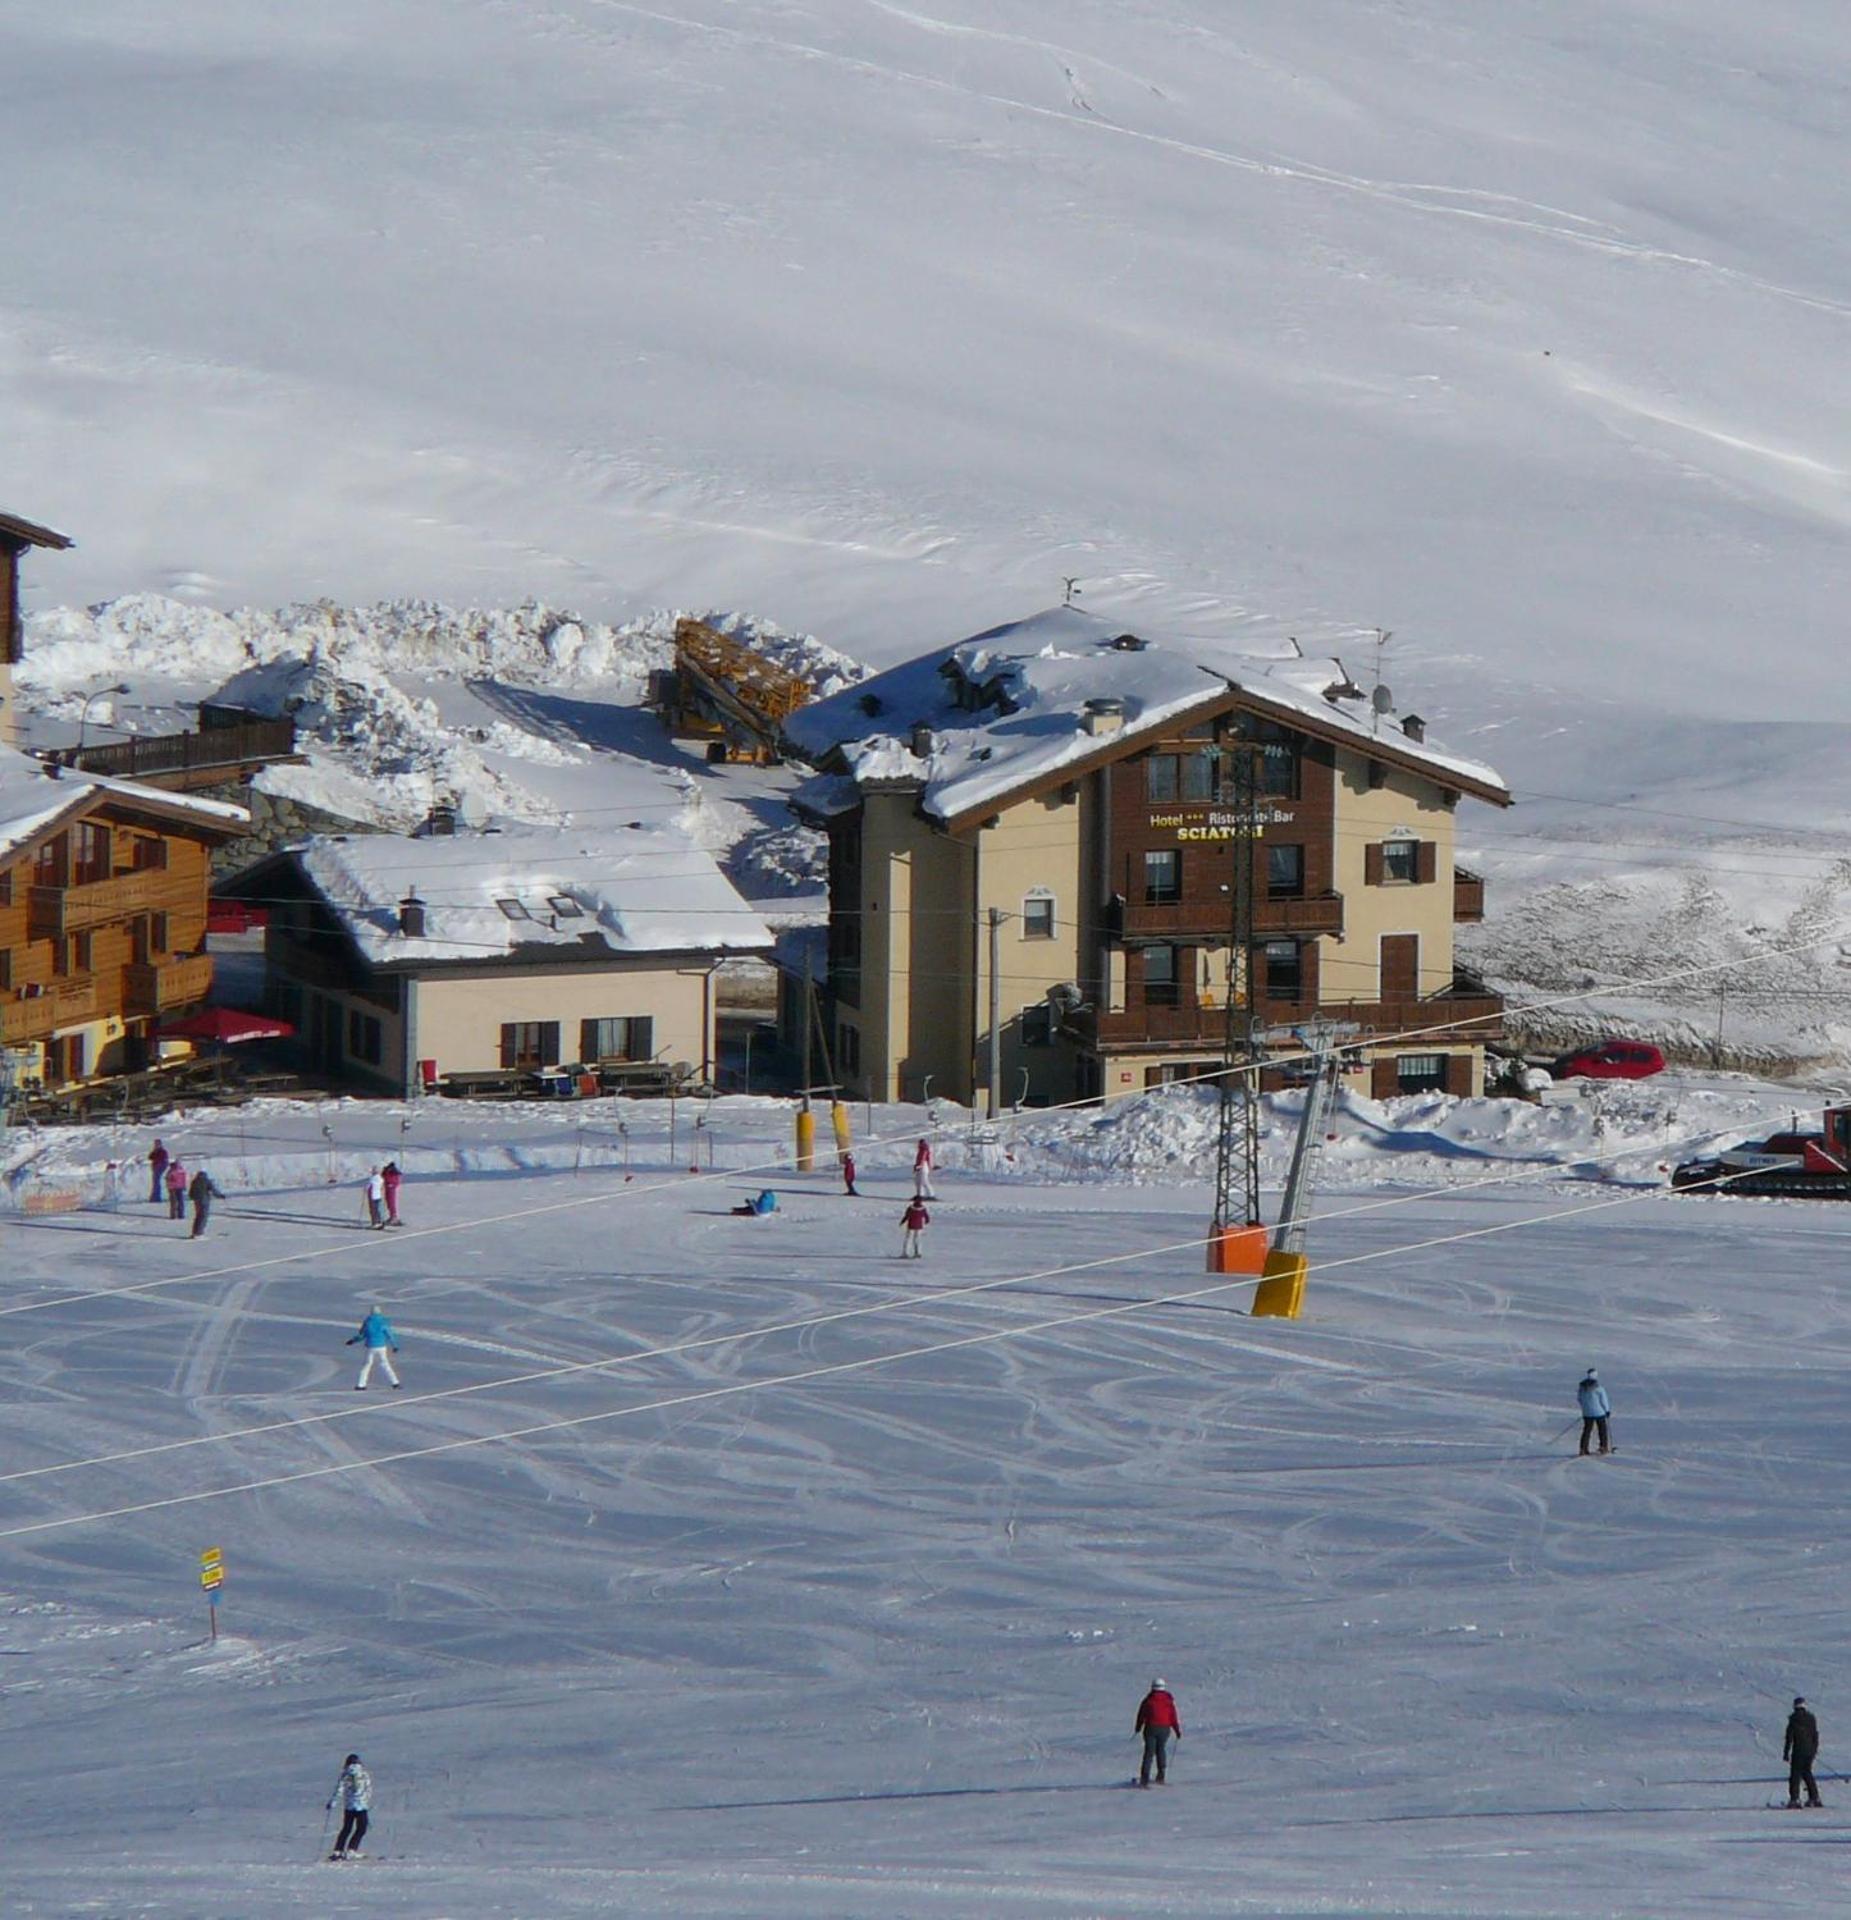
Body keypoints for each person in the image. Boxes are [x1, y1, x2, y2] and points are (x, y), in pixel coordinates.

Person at [1135, 1678, 1182, 1787]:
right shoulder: (1168, 1701)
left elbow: (1141, 1714)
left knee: (1149, 1753)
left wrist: (1138, 1728)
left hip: (1151, 1728)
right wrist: (1177, 1730)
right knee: (1161, 1750)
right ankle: (1161, 1775)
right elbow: (1173, 1716)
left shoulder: (1148, 1700)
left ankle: (1144, 1778)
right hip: (1165, 1728)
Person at [327, 1752, 372, 1859]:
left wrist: (333, 1801)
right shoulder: (364, 1774)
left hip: (349, 1806)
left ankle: (338, 1850)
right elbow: (368, 1789)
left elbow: (339, 1789)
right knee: (361, 1828)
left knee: (346, 1828)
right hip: (361, 1806)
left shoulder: (345, 1774)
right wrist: (366, 1801)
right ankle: (352, 1849)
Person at [347, 1306, 401, 1390]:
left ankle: (361, 1385)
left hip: (370, 1346)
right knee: (385, 1364)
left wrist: (353, 1340)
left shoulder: (368, 1321)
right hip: (381, 1346)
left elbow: (363, 1334)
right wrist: (395, 1346)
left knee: (367, 1365)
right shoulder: (383, 1321)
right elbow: (389, 1334)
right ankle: (395, 1383)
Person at [1785, 1697, 1823, 1808]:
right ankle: (1814, 1797)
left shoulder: (1794, 1719)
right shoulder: (1811, 1719)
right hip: (1810, 1751)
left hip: (1798, 1751)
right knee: (1807, 1773)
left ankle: (1795, 1799)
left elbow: (1789, 1737)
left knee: (1795, 1775)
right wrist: (1814, 1749)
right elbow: (1815, 1735)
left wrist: (1786, 1752)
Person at [1577, 1368, 1611, 1455]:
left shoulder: (1582, 1387)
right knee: (1602, 1429)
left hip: (1587, 1413)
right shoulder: (1598, 1388)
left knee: (1587, 1430)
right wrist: (1607, 1410)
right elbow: (1603, 1400)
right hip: (1599, 1412)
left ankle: (1583, 1448)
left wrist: (1585, 1408)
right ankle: (1603, 1446)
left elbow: (1579, 1399)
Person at [187, 1165, 224, 1239]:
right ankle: (199, 1233)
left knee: (198, 1216)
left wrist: (192, 1197)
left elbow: (191, 1191)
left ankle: (194, 1232)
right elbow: (213, 1190)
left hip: (196, 1200)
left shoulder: (194, 1181)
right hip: (204, 1200)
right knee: (203, 1216)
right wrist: (220, 1195)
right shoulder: (207, 1181)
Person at [148, 1138, 170, 1204]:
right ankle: (155, 1196)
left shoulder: (163, 1151)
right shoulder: (156, 1151)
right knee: (155, 1182)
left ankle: (156, 1197)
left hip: (159, 1167)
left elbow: (162, 1159)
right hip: (155, 1168)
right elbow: (150, 1157)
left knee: (156, 1182)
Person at [381, 1162, 403, 1226]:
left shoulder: (392, 1172)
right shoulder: (389, 1171)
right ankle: (392, 1216)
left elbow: (392, 1180)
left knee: (391, 1203)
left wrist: (391, 1184)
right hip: (389, 1188)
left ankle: (393, 1217)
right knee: (389, 1203)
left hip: (391, 1188)